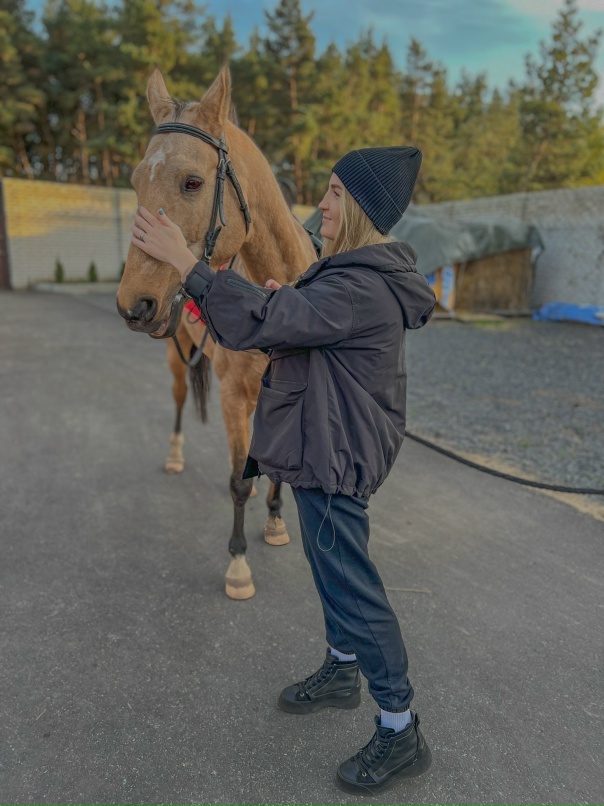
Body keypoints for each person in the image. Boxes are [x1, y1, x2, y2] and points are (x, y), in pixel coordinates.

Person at [131, 146, 436, 796]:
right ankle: (342, 666)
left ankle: (400, 726)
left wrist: (187, 262)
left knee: (355, 587)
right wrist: (285, 300)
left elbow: (266, 322)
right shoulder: (343, 277)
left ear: (355, 207)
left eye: (331, 193)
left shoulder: (358, 286)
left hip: (333, 456)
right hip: (319, 450)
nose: (319, 205)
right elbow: (292, 318)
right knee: (331, 572)